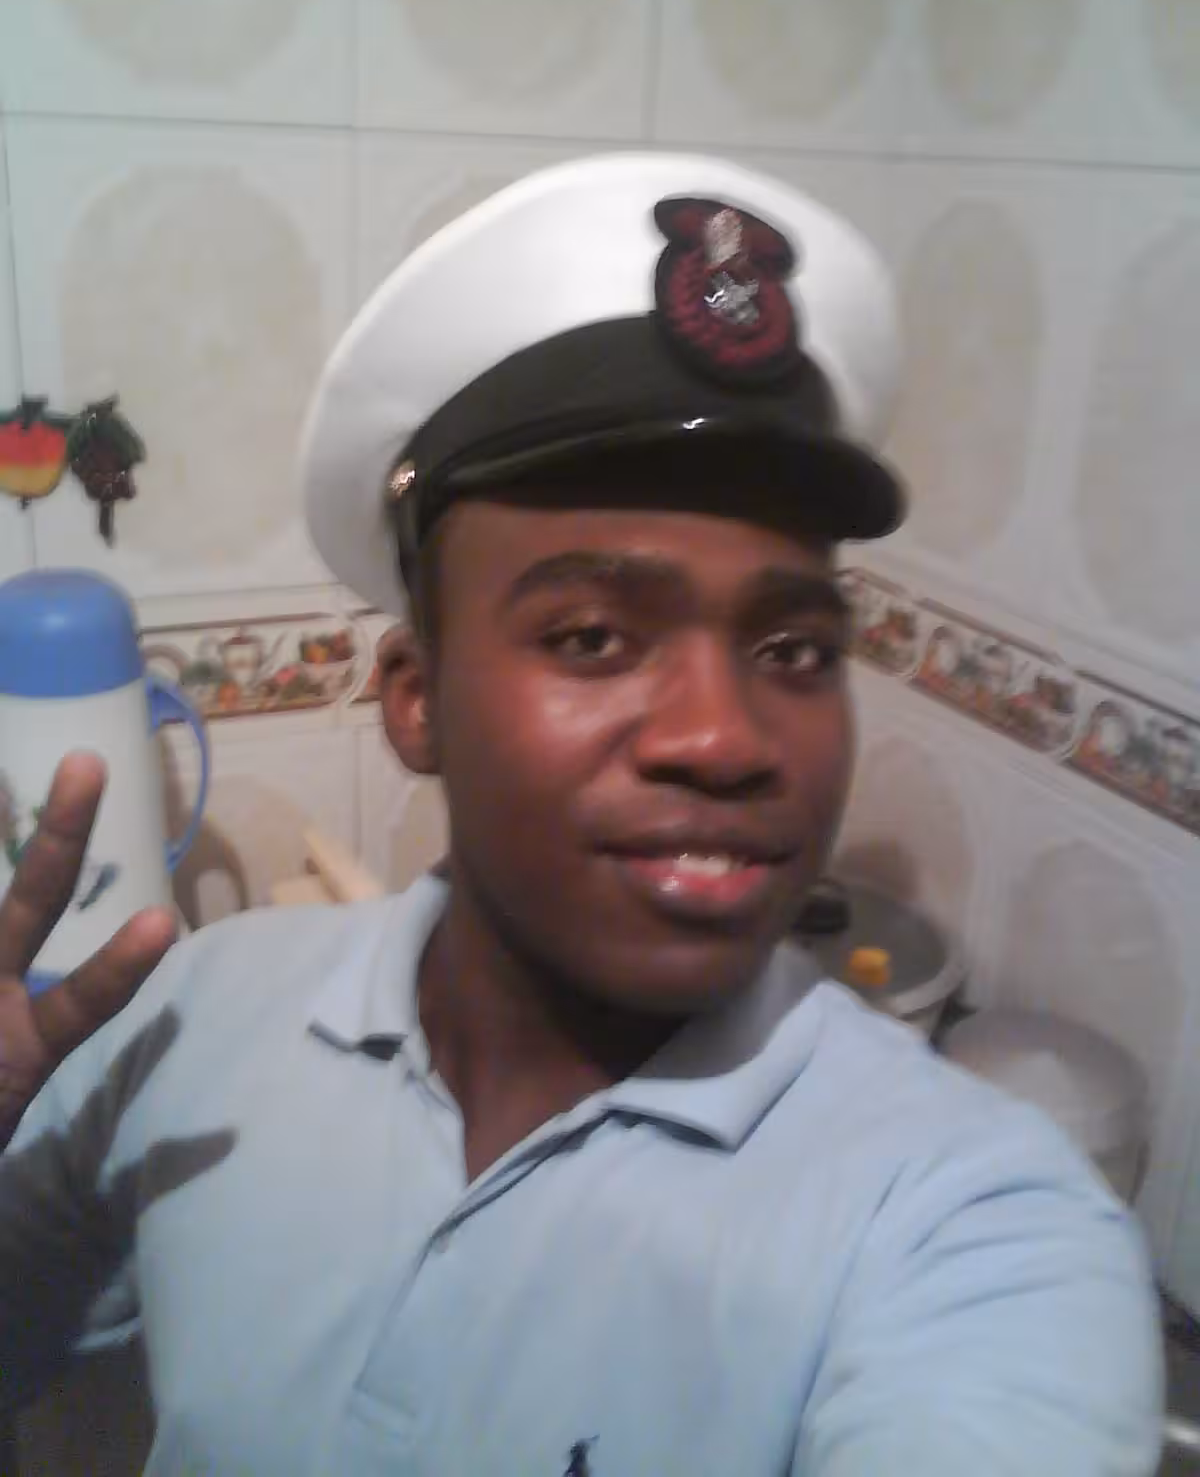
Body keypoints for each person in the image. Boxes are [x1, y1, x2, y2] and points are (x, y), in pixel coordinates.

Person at [0, 155, 1161, 1475]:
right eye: (594, 636)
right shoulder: (197, 1017)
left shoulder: (971, 1222)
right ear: (417, 700)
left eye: (793, 649)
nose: (726, 737)